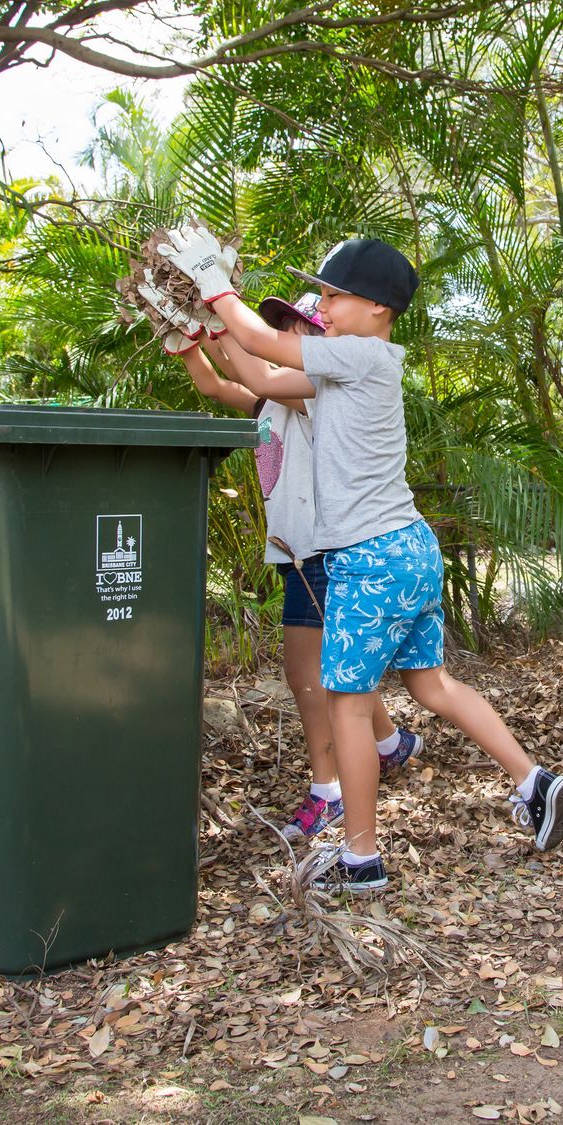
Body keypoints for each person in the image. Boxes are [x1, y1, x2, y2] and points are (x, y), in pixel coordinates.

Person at [161, 228, 563, 892]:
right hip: (407, 547)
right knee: (430, 686)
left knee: (348, 705)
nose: (322, 303)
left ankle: (360, 860)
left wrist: (214, 279)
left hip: (368, 558)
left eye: (334, 293)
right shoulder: (346, 368)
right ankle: (535, 782)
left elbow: (268, 345)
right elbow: (261, 375)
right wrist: (204, 326)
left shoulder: (362, 355)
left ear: (378, 308)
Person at [145, 285, 422, 839]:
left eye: (296, 326)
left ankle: (330, 790)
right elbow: (218, 383)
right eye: (283, 325)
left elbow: (257, 368)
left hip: (322, 549)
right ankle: (391, 743)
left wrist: (217, 320)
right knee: (335, 673)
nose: (288, 333)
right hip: (291, 549)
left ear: (320, 339)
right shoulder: (273, 400)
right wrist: (190, 338)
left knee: (308, 675)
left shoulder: (320, 392)